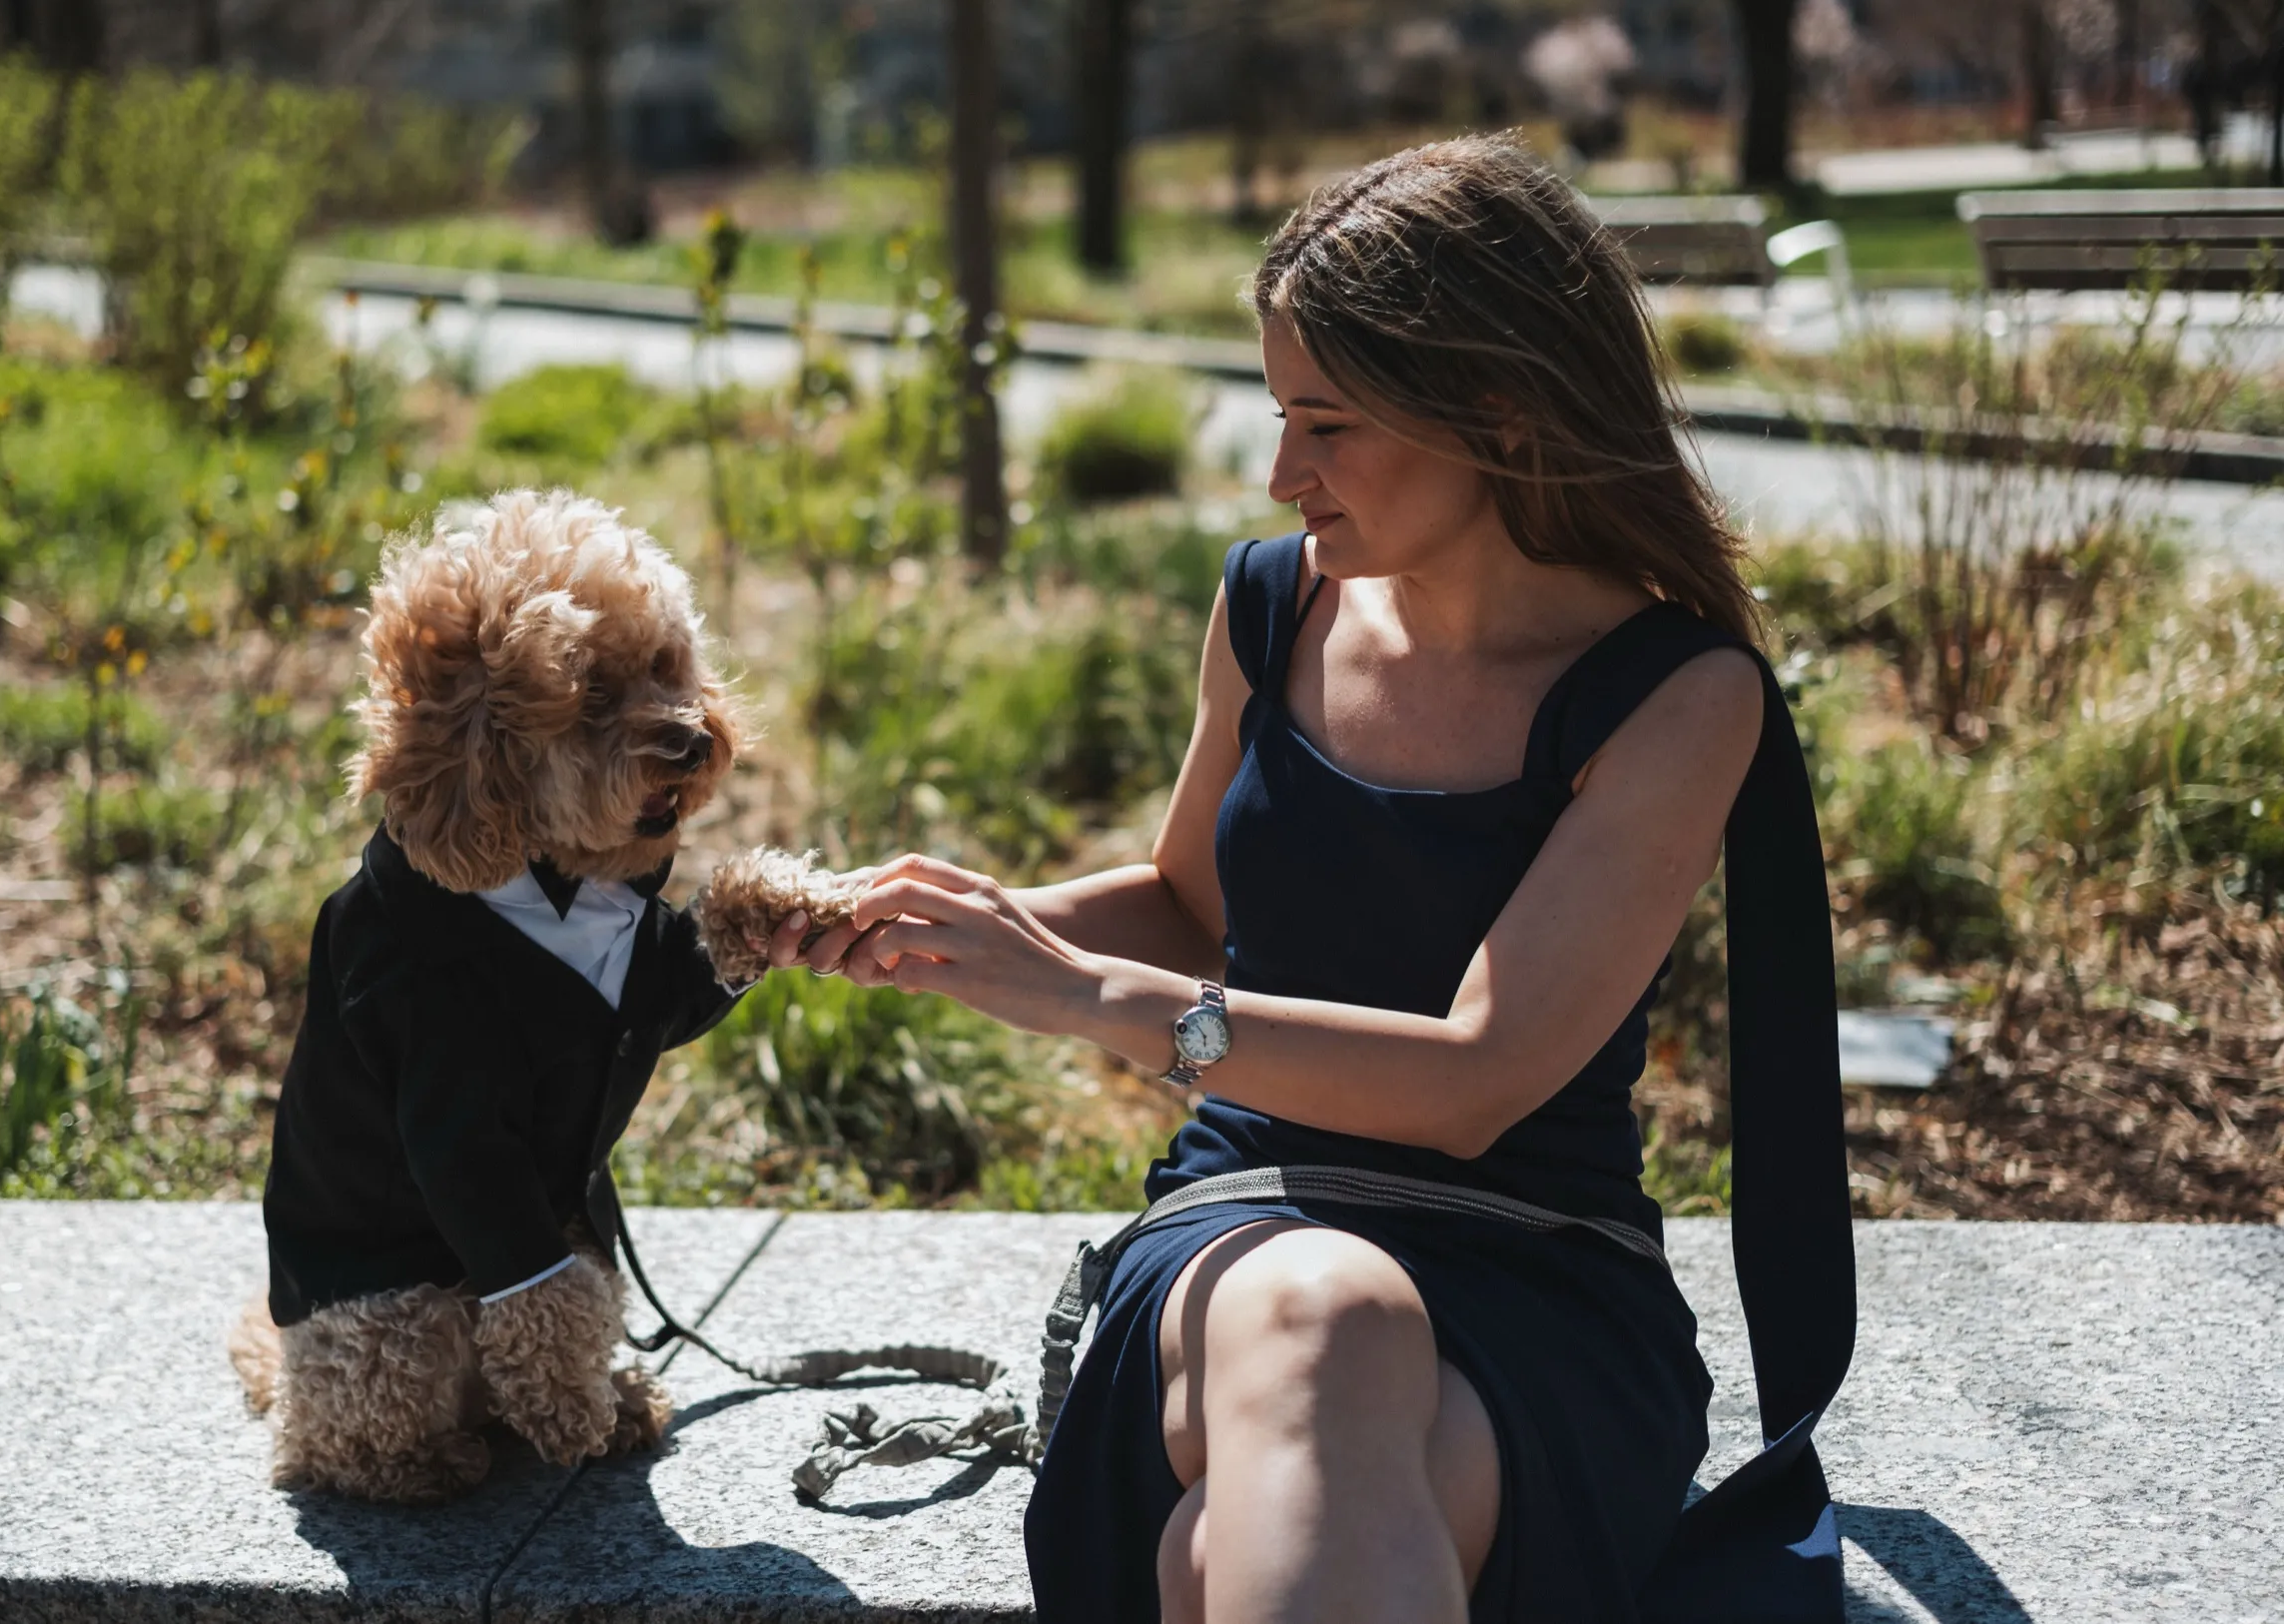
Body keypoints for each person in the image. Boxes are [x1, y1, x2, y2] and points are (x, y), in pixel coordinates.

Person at [787, 135, 1853, 1624]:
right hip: (1253, 1229)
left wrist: (1092, 992)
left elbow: (1477, 1077)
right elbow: (1192, 910)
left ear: (1495, 414)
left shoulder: (1676, 697)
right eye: (1281, 416)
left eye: (1327, 425)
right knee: (1324, 1308)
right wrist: (966, 929)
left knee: (1218, 1554)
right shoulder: (1272, 605)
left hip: (1533, 1279)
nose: (1284, 474)